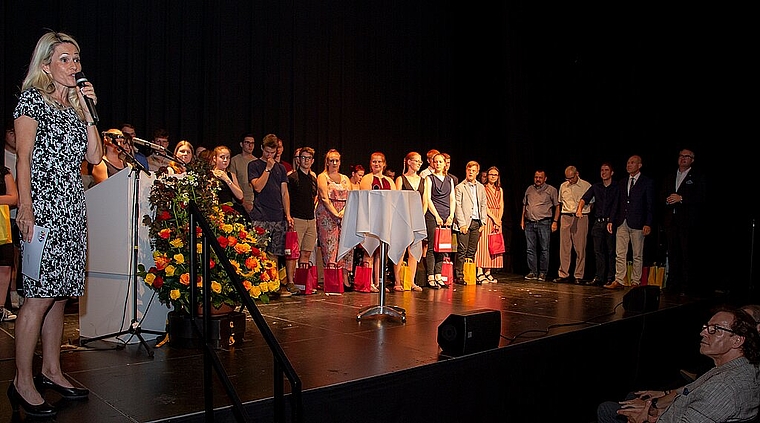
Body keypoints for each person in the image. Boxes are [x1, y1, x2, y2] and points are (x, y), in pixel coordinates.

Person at [10, 30, 101, 418]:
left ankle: (51, 369)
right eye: (64, 59)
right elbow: (24, 159)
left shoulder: (76, 106)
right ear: (46, 64)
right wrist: (25, 210)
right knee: (38, 297)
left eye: (76, 59)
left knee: (61, 295)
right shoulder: (31, 100)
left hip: (72, 210)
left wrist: (89, 109)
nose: (73, 66)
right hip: (43, 208)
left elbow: (95, 155)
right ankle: (22, 381)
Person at [597, 306, 760, 423]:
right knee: (628, 401)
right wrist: (655, 410)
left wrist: (645, 420)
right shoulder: (740, 366)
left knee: (606, 410)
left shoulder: (723, 387)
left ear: (737, 340)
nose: (703, 333)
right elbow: (692, 394)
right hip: (673, 413)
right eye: (706, 327)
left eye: (714, 329)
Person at [248, 134, 295, 297]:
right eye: (267, 152)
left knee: (274, 253)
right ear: (262, 148)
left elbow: (284, 192)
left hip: (278, 217)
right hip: (260, 216)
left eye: (272, 152)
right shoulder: (253, 165)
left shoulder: (281, 168)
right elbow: (258, 187)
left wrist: (288, 214)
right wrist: (267, 168)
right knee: (259, 252)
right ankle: (258, 286)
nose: (269, 155)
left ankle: (273, 286)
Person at [660, 148, 706, 296]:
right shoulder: (670, 176)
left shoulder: (697, 177)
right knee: (672, 254)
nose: (683, 158)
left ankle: (686, 286)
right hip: (671, 221)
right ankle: (672, 284)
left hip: (687, 223)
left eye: (687, 156)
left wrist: (682, 199)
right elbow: (661, 195)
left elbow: (701, 197)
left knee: (686, 255)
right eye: (681, 156)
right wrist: (667, 200)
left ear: (692, 160)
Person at [604, 155, 655, 290]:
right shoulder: (622, 182)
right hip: (622, 221)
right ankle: (619, 279)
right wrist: (611, 219)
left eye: (632, 163)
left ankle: (635, 281)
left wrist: (648, 223)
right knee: (620, 252)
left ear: (639, 165)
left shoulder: (646, 182)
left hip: (638, 222)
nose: (629, 165)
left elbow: (650, 204)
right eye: (628, 163)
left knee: (637, 253)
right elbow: (617, 202)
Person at [315, 149, 353, 290]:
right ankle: (331, 280)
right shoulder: (322, 177)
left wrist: (343, 212)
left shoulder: (345, 178)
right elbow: (324, 197)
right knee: (329, 247)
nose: (335, 163)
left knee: (346, 246)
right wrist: (336, 213)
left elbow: (350, 196)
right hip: (328, 214)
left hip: (344, 214)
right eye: (331, 160)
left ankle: (344, 278)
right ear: (327, 162)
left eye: (337, 160)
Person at [360, 152, 397, 291]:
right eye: (374, 162)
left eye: (379, 162)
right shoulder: (367, 178)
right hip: (371, 218)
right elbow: (364, 199)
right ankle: (368, 282)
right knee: (369, 251)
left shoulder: (389, 180)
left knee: (380, 252)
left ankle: (379, 282)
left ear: (384, 164)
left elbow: (394, 199)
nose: (377, 164)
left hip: (384, 219)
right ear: (370, 163)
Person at [576, 162, 618, 286]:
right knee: (598, 251)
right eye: (602, 170)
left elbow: (617, 205)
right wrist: (579, 209)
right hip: (598, 223)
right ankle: (599, 277)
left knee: (611, 251)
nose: (603, 172)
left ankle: (610, 277)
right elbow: (585, 198)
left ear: (612, 172)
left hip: (610, 222)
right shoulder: (596, 187)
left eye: (606, 170)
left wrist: (611, 221)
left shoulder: (616, 187)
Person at [285, 146, 318, 295]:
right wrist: (288, 216)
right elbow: (287, 198)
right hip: (296, 218)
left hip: (310, 220)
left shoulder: (313, 179)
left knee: (306, 253)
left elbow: (314, 197)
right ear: (298, 160)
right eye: (303, 158)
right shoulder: (292, 177)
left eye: (308, 158)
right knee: (293, 253)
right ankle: (290, 282)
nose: (306, 161)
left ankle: (303, 282)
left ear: (312, 161)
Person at [392, 151, 425, 292]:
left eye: (420, 161)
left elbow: (425, 201)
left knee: (414, 251)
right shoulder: (401, 179)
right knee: (401, 250)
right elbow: (396, 200)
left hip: (417, 219)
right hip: (402, 219)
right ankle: (397, 281)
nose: (418, 164)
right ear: (409, 162)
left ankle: (411, 281)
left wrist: (419, 216)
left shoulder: (423, 180)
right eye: (416, 161)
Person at [423, 152, 455, 289]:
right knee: (432, 246)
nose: (438, 164)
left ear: (444, 163)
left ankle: (438, 275)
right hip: (433, 215)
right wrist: (436, 216)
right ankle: (430, 276)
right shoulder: (429, 178)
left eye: (440, 162)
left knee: (443, 247)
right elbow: (428, 198)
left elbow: (452, 198)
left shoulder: (449, 180)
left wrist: (451, 216)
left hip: (446, 215)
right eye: (435, 162)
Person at [554, 165, 591, 284]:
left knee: (580, 247)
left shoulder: (586, 186)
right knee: (564, 247)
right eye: (567, 178)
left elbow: (592, 203)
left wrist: (583, 212)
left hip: (580, 217)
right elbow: (560, 204)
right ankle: (563, 274)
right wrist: (556, 220)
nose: (569, 180)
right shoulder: (563, 186)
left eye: (571, 178)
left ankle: (578, 275)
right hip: (565, 216)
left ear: (577, 174)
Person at [521, 169, 560, 282]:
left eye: (540, 177)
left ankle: (543, 272)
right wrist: (522, 220)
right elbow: (525, 205)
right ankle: (533, 272)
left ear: (545, 178)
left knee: (544, 249)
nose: (537, 179)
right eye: (536, 177)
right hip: (529, 223)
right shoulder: (529, 189)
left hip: (544, 222)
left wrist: (555, 221)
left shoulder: (551, 190)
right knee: (530, 249)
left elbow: (557, 206)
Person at [453, 161, 488, 285]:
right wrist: (462, 223)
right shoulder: (460, 187)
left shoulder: (480, 187)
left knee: (472, 251)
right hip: (465, 222)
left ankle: (470, 274)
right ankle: (459, 275)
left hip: (477, 222)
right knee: (462, 250)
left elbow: (483, 204)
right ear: (466, 171)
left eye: (473, 171)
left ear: (477, 172)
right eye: (469, 170)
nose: (471, 173)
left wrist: (483, 222)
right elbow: (457, 205)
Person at [474, 166, 505, 283]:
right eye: (491, 174)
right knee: (483, 245)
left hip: (497, 218)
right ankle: (480, 271)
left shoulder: (499, 190)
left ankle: (488, 272)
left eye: (495, 175)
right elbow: (484, 205)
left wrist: (498, 219)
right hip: (487, 217)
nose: (493, 177)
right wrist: (493, 217)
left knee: (494, 244)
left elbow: (501, 205)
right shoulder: (483, 188)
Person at [1, 160, 18, 321]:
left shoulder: (4, 172)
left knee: (5, 267)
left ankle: (0, 308)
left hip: (2, 227)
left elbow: (13, 198)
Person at [211, 145, 245, 217]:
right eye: (222, 157)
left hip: (228, 211)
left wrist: (226, 179)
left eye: (228, 158)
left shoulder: (231, 175)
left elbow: (240, 196)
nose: (225, 160)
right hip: (213, 211)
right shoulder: (209, 174)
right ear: (215, 158)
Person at [228, 133, 257, 217]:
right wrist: (244, 203)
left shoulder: (257, 162)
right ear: (241, 144)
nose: (250, 145)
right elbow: (232, 184)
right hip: (239, 203)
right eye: (247, 142)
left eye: (252, 143)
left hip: (255, 203)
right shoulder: (234, 160)